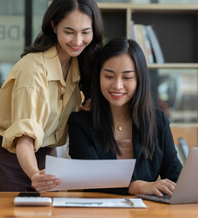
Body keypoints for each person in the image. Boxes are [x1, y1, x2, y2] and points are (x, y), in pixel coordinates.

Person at [0, 0, 104, 193]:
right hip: (9, 158)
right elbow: (24, 138)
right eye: (69, 31)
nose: (78, 41)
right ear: (54, 26)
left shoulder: (80, 67)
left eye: (85, 32)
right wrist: (34, 173)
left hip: (47, 156)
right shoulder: (34, 68)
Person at [68, 38, 182, 196]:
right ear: (98, 76)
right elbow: (90, 178)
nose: (117, 85)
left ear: (139, 80)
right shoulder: (80, 123)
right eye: (109, 76)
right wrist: (137, 187)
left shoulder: (158, 122)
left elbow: (175, 178)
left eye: (127, 77)